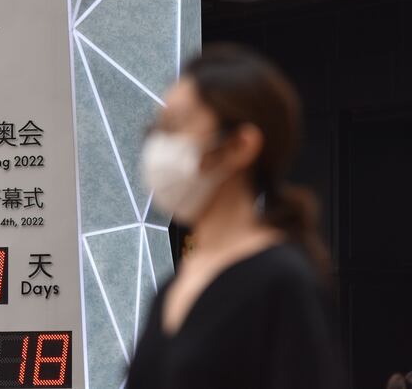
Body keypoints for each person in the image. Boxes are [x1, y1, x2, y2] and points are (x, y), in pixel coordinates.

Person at [127, 44, 342, 388]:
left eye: (178, 125)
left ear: (241, 145)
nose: (160, 145)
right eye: (158, 129)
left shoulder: (281, 280)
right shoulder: (173, 286)